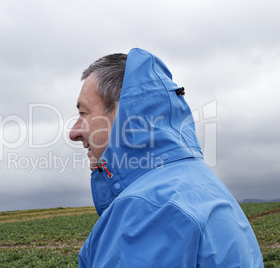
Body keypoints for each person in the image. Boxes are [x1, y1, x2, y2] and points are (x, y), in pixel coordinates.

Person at [69, 48, 263, 267]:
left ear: (123, 113)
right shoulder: (202, 182)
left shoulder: (147, 209)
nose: (74, 132)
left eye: (83, 114)